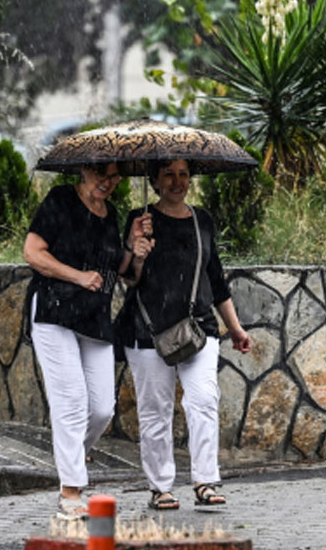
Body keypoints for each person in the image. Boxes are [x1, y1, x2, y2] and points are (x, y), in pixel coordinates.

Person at [115, 159, 252, 511]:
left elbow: (215, 278)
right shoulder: (139, 220)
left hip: (198, 329)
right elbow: (128, 279)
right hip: (148, 332)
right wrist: (137, 250)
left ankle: (205, 480)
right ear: (155, 181)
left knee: (204, 400)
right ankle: (160, 487)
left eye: (183, 174)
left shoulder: (201, 220)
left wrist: (234, 327)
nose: (177, 182)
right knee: (155, 410)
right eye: (168, 174)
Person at [23, 162, 152, 520]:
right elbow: (33, 253)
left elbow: (125, 274)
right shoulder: (60, 199)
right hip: (54, 311)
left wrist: (135, 251)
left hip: (94, 319)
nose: (107, 182)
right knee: (72, 402)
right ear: (83, 169)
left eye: (114, 177)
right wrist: (78, 277)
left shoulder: (111, 214)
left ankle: (70, 463)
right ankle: (70, 495)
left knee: (101, 409)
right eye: (101, 174)